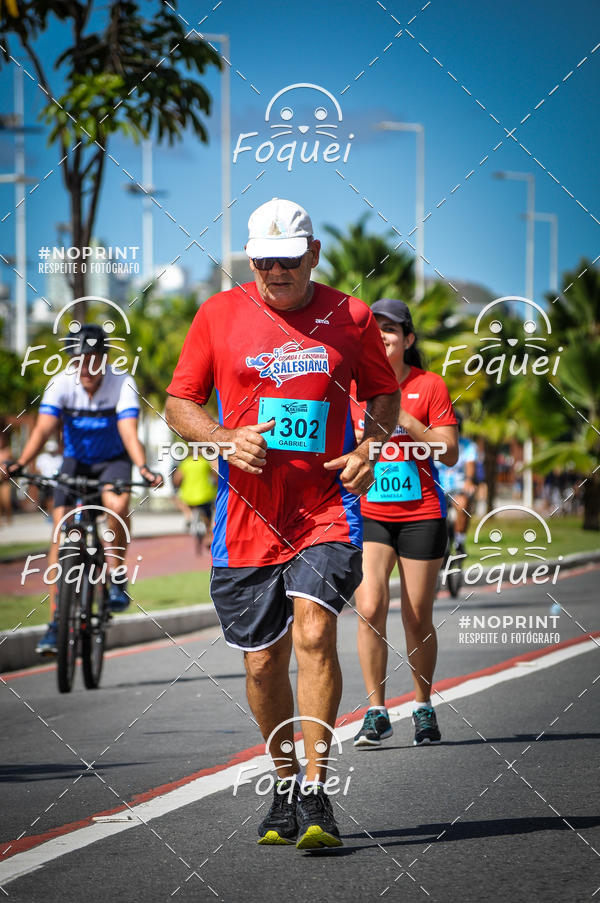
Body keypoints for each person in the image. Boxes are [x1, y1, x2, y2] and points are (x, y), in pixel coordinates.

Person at [165, 198, 400, 849]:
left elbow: (384, 393)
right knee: (263, 663)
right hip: (244, 516)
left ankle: (320, 787)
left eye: (289, 260)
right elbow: (178, 401)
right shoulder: (218, 314)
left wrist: (368, 448)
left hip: (324, 508)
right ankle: (286, 780)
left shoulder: (349, 316)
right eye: (264, 260)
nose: (276, 271)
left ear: (314, 255)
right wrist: (221, 436)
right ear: (250, 258)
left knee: (315, 630)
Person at [1, 324, 162, 655]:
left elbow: (129, 433)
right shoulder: (61, 383)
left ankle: (116, 575)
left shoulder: (122, 383)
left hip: (113, 460)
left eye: (93, 360)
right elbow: (44, 428)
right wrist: (20, 463)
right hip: (75, 461)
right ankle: (56, 622)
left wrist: (143, 467)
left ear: (104, 359)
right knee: (59, 536)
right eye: (79, 360)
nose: (86, 368)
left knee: (116, 506)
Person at [351, 299, 458, 749]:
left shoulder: (429, 385)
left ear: (408, 339)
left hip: (421, 516)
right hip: (370, 513)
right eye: (374, 329)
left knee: (417, 616)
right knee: (370, 605)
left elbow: (448, 451)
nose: (382, 335)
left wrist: (404, 419)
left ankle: (422, 705)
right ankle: (376, 712)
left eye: (391, 329)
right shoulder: (352, 388)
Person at [437, 412, 478, 553]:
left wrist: (469, 481)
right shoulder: (435, 442)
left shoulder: (468, 446)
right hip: (437, 487)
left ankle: (460, 541)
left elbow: (470, 467)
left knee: (463, 505)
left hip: (457, 487)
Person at [172, 452, 216, 543]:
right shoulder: (205, 462)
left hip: (188, 498)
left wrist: (177, 486)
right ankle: (208, 536)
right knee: (209, 513)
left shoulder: (185, 463)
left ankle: (188, 515)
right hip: (205, 496)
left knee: (175, 498)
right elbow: (214, 476)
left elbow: (177, 479)